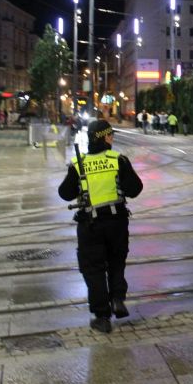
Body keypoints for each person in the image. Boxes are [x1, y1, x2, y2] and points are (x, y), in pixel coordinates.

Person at [58, 120, 143, 333]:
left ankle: (102, 316)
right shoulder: (118, 160)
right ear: (105, 137)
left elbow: (65, 193)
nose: (112, 138)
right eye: (110, 135)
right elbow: (135, 189)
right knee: (116, 262)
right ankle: (117, 299)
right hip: (116, 222)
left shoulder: (79, 164)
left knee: (93, 269)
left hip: (90, 225)